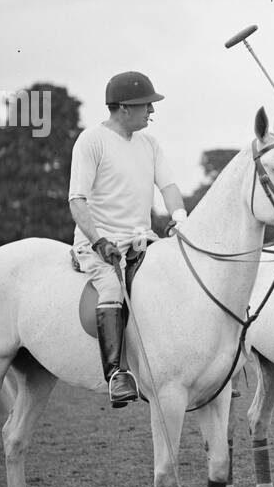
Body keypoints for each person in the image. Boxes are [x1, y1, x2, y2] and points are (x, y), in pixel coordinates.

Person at [69, 71, 186, 407]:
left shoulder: (150, 143)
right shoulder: (91, 141)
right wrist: (98, 240)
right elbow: (77, 201)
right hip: (101, 243)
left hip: (141, 240)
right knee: (111, 289)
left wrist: (180, 219)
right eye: (145, 105)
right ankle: (117, 374)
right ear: (123, 108)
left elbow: (169, 187)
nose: (151, 110)